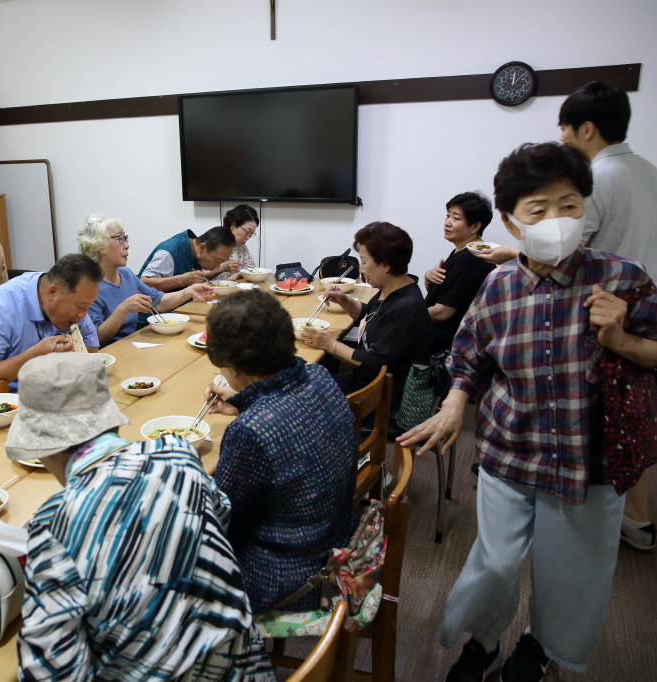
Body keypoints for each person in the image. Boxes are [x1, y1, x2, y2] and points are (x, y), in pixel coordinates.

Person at [398, 142, 657, 682]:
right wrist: (455, 404)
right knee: (496, 563)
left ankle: (541, 647)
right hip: (509, 449)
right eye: (539, 209)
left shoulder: (623, 277)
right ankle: (483, 644)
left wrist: (620, 338)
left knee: (571, 574)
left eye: (570, 205)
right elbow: (468, 357)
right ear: (509, 220)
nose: (558, 220)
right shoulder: (499, 287)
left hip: (589, 460)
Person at [6, 353, 275, 682]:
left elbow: (53, 672)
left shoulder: (52, 525)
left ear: (43, 447)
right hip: (245, 669)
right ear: (111, 420)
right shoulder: (178, 454)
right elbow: (219, 516)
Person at [559, 81, 657, 551]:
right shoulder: (655, 174)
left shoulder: (598, 178)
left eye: (565, 130)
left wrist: (514, 251)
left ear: (586, 128)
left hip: (599, 316)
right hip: (645, 313)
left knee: (594, 422)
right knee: (636, 416)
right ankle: (640, 520)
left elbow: (569, 250)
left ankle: (591, 524)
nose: (564, 140)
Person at [203, 289, 358, 612]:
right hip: (337, 538)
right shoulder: (318, 375)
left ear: (227, 363)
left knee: (170, 563)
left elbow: (221, 522)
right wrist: (244, 403)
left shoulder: (251, 431)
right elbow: (288, 421)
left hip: (293, 575)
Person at [300, 222, 432, 409]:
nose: (361, 269)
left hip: (383, 394)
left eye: (364, 261)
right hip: (367, 378)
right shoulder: (392, 288)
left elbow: (377, 363)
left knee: (301, 399)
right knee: (307, 382)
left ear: (385, 265)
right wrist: (344, 300)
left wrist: (330, 344)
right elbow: (370, 315)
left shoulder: (405, 307)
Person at [0, 254, 102, 395]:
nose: (83, 315)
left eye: (88, 306)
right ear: (52, 293)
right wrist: (37, 354)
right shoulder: (0, 307)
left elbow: (90, 344)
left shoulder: (71, 296)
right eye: (80, 306)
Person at [78, 214, 215, 344]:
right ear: (99, 246)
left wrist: (189, 291)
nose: (126, 245)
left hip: (131, 345)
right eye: (120, 239)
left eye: (125, 238)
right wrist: (123, 309)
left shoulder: (125, 274)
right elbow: (96, 340)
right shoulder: (88, 286)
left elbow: (158, 302)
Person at [423, 192, 496, 353]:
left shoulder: (471, 258)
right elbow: (448, 295)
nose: (448, 222)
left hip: (446, 348)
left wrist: (402, 317)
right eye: (448, 215)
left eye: (456, 218)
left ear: (475, 227)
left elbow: (442, 312)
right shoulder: (467, 249)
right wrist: (428, 277)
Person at [138, 225, 236, 292]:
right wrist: (183, 280)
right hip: (151, 316)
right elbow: (144, 283)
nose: (218, 266)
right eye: (218, 260)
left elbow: (197, 278)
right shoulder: (170, 252)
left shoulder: (195, 250)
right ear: (202, 248)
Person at [212, 204, 260, 281]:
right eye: (247, 232)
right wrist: (222, 269)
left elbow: (251, 269)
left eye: (251, 234)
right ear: (233, 225)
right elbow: (203, 277)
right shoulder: (215, 242)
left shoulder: (241, 246)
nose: (248, 237)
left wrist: (237, 275)